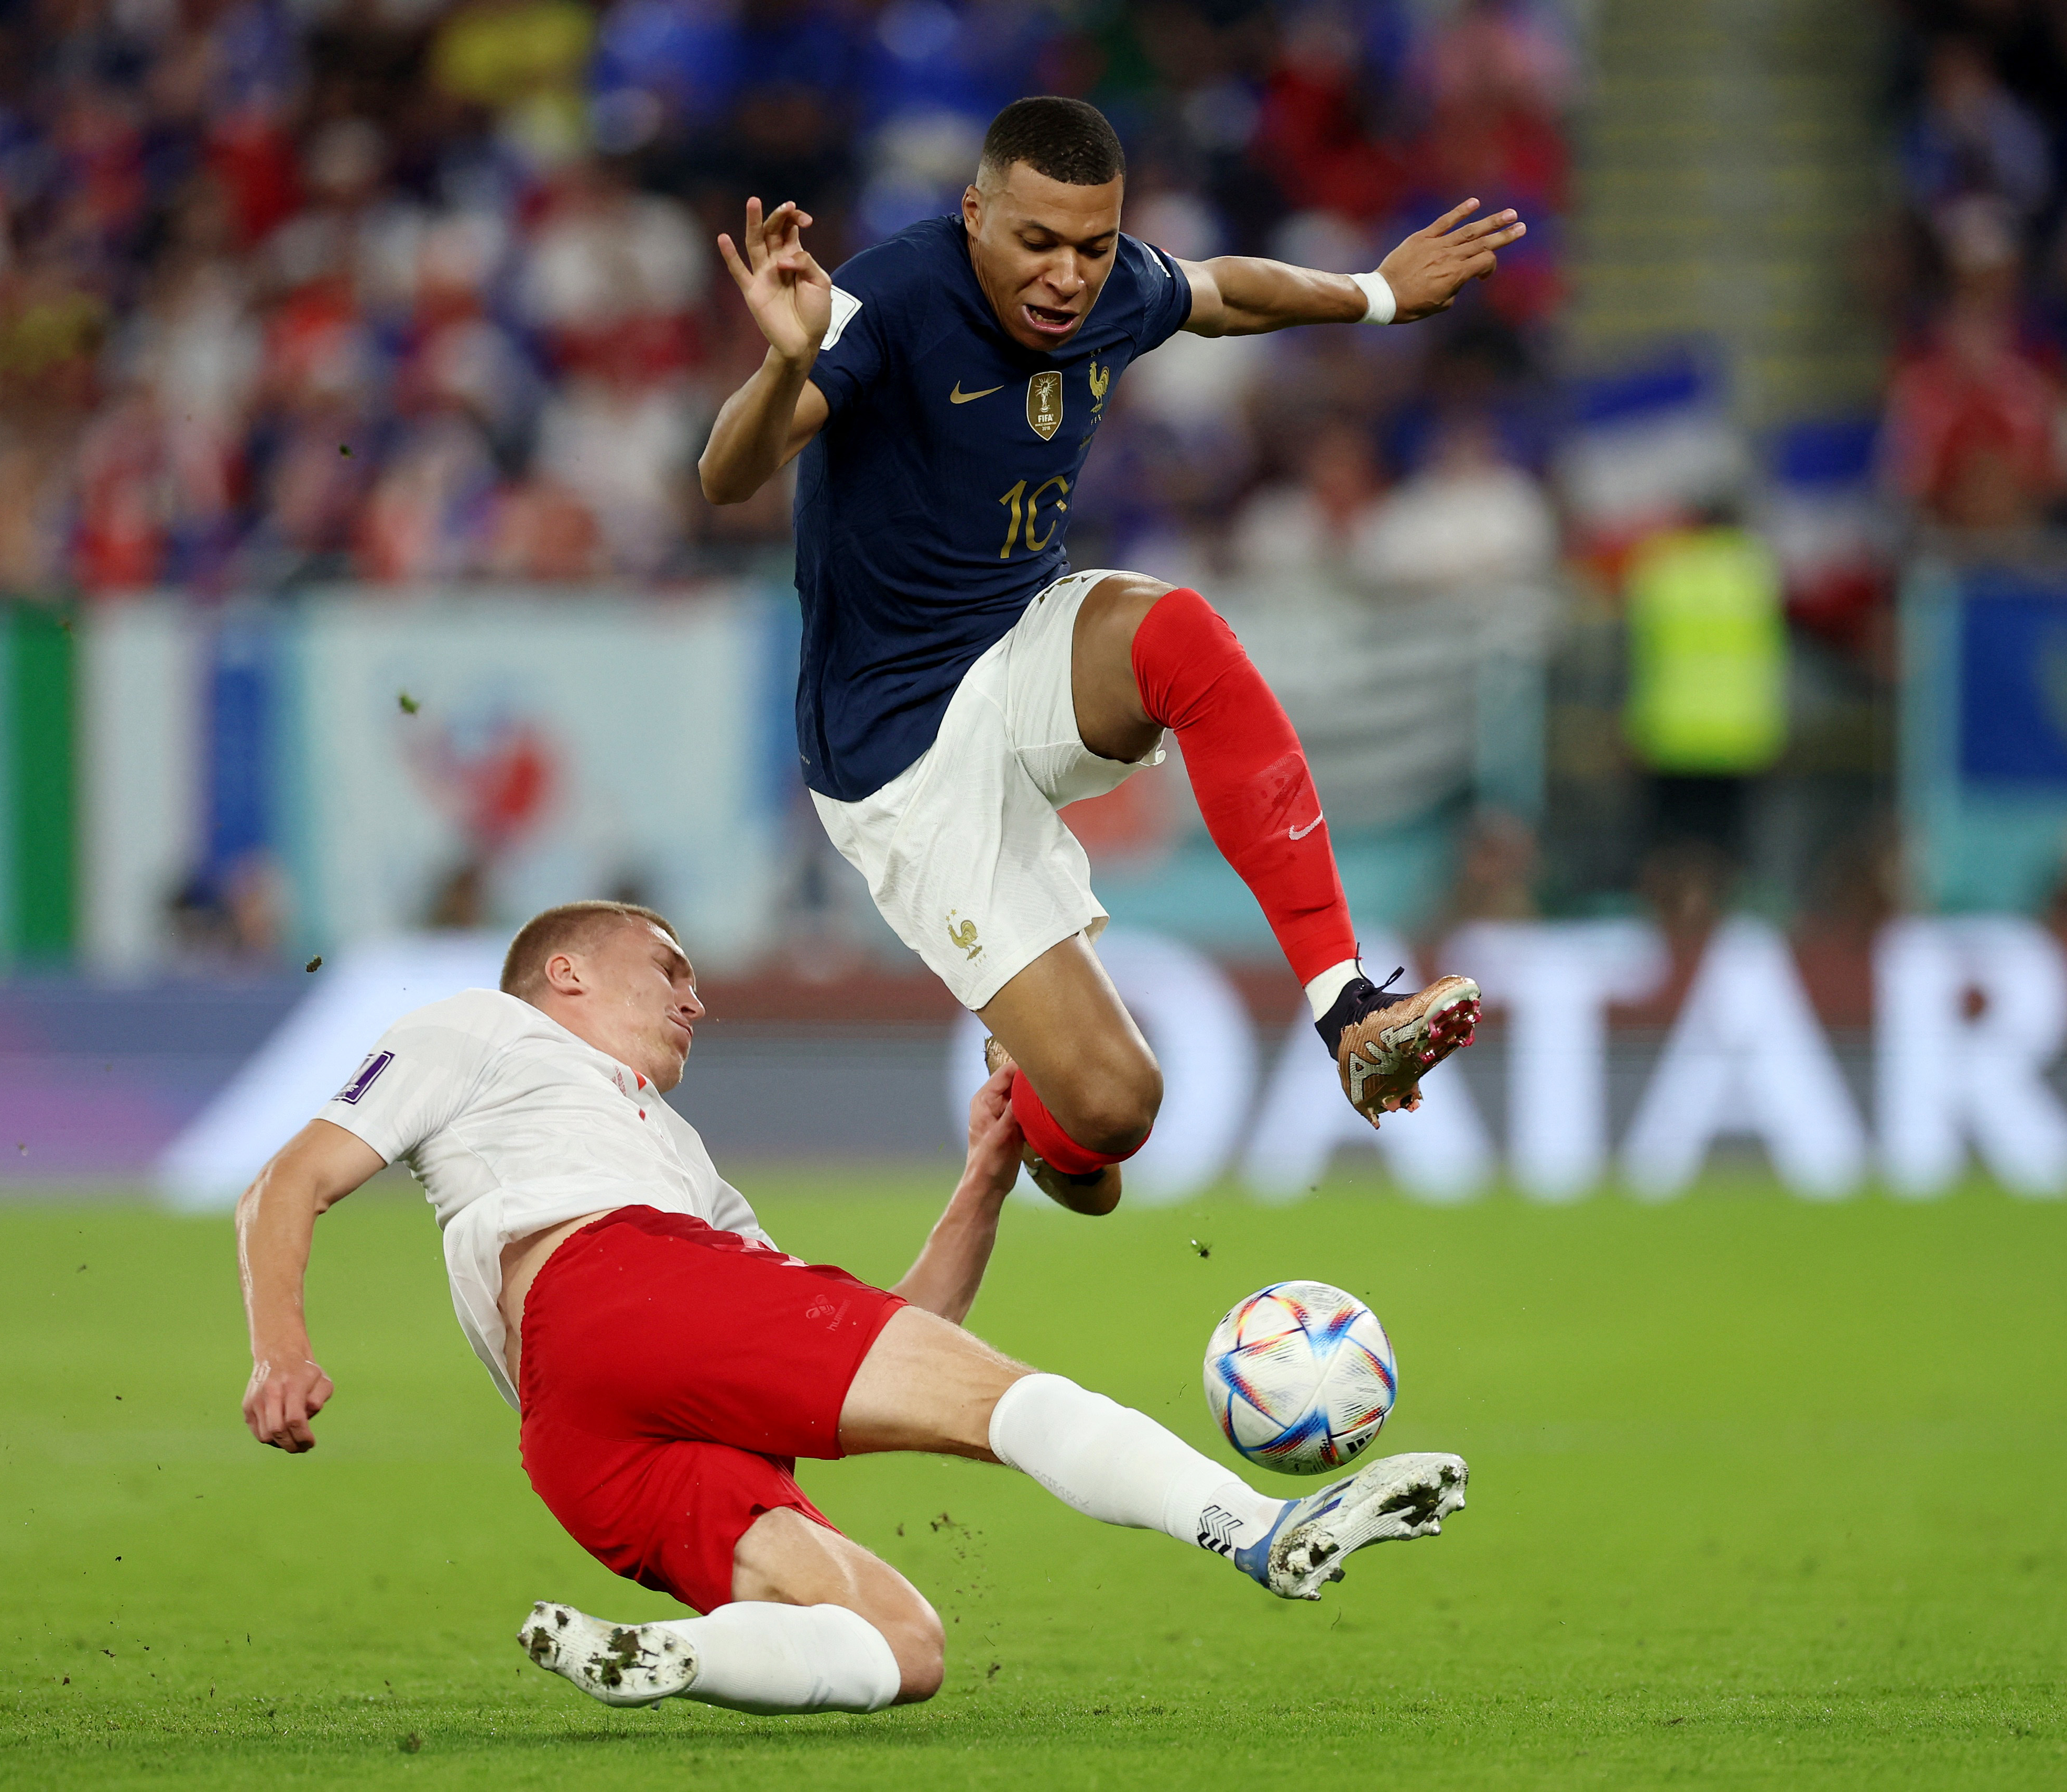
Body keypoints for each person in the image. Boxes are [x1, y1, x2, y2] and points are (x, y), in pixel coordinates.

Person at [235, 900, 1469, 1717]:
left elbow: (873, 1349)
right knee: (1003, 1401)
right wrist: (280, 1352)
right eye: (670, 965)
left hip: (582, 1436)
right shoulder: (485, 1028)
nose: (695, 998)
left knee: (902, 1644)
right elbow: (287, 1182)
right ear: (565, 971)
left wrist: (985, 1182)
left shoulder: (678, 1156)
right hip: (614, 1286)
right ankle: (1255, 1528)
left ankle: (680, 1658)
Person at [699, 96, 1519, 1212]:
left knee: (1178, 629)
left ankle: (1350, 1009)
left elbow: (1225, 292)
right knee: (1113, 1122)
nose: (1069, 277)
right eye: (1037, 242)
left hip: (1025, 647)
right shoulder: (885, 302)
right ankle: (1036, 1096)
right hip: (898, 748)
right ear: (975, 213)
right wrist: (785, 366)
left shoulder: (1117, 284)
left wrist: (1377, 295)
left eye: (1093, 245)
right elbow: (726, 476)